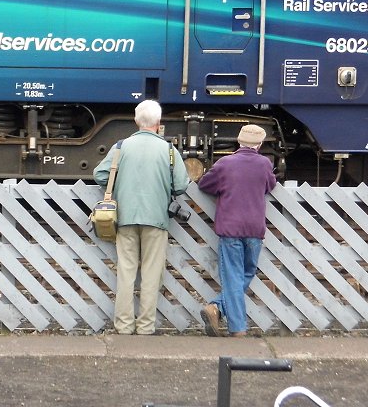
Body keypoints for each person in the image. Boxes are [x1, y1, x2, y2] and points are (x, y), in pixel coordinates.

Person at [92, 99, 189, 335]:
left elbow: (99, 175)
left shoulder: (121, 146)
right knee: (151, 273)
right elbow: (181, 185)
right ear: (159, 123)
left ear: (136, 121)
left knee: (126, 271)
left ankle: (123, 326)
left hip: (124, 217)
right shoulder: (168, 150)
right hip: (156, 218)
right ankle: (145, 326)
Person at [198, 123, 276, 337]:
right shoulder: (264, 164)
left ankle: (228, 319)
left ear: (239, 142)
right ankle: (223, 314)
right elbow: (271, 185)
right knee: (246, 273)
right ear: (259, 144)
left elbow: (205, 185)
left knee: (233, 276)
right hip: (254, 228)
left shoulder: (225, 163)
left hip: (230, 228)